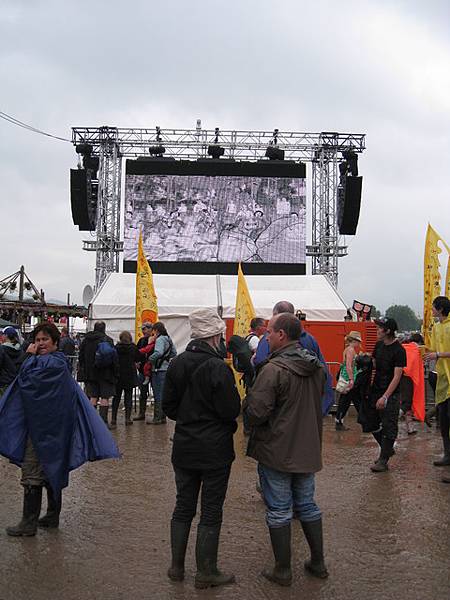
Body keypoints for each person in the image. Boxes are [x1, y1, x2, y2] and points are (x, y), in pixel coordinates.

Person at [0, 322, 119, 537]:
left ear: (55, 342)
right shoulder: (56, 363)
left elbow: (26, 379)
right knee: (52, 467)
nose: (40, 343)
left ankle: (29, 523)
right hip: (51, 426)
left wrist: (28, 357)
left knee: (33, 469)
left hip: (44, 428)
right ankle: (52, 516)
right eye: (37, 340)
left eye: (45, 339)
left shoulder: (49, 364)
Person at [244, 313, 328, 587]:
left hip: (277, 449)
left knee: (279, 510)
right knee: (307, 504)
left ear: (282, 335)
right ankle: (318, 562)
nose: (266, 336)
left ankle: (283, 569)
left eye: (270, 332)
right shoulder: (317, 367)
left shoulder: (273, 369)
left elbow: (256, 412)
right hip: (307, 447)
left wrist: (246, 405)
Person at [162, 308, 241, 589]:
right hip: (215, 449)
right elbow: (231, 409)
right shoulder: (218, 367)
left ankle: (177, 568)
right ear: (215, 335)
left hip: (184, 446)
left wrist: (189, 416)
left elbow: (168, 408)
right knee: (210, 510)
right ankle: (206, 571)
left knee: (183, 506)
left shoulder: (177, 363)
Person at [254, 301, 334, 414]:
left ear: (276, 315)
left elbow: (261, 368)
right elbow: (324, 372)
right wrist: (323, 407)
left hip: (280, 411)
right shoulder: (310, 339)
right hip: (308, 408)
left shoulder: (270, 339)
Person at [362, 318, 407, 473]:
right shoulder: (379, 345)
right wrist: (364, 360)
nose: (377, 330)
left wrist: (386, 397)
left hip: (391, 394)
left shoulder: (399, 350)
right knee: (369, 421)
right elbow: (374, 364)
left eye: (379, 328)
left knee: (389, 426)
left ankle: (383, 460)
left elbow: (397, 376)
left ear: (388, 331)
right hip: (375, 389)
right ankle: (387, 450)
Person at [424, 296, 450, 483]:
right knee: (444, 420)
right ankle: (447, 454)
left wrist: (438, 354)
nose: (431, 310)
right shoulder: (436, 327)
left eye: (433, 307)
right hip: (442, 378)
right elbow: (430, 349)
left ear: (440, 309)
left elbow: (437, 352)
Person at [78, 321, 119, 426]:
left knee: (93, 397)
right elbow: (113, 358)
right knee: (104, 398)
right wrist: (115, 372)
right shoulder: (107, 340)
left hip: (90, 374)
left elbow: (81, 357)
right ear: (104, 329)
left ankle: (92, 422)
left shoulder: (86, 340)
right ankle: (103, 422)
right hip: (105, 373)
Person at [147, 321, 176, 425]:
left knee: (157, 394)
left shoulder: (159, 339)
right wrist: (166, 358)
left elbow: (158, 352)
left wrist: (150, 359)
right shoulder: (168, 339)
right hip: (166, 369)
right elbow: (174, 352)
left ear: (156, 330)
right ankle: (163, 417)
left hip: (158, 370)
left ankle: (157, 418)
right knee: (163, 394)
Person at [111, 331, 141, 429]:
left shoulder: (116, 348)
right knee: (128, 397)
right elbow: (138, 358)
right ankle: (128, 418)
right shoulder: (133, 348)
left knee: (116, 397)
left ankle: (113, 418)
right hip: (129, 375)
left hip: (119, 375)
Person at [335, 331, 362, 430]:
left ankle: (339, 420)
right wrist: (351, 379)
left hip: (348, 377)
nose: (359, 344)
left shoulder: (348, 349)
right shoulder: (350, 350)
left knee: (347, 400)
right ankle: (364, 420)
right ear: (354, 341)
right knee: (348, 401)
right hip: (350, 378)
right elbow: (349, 365)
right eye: (358, 341)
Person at [400, 333, 425, 435]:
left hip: (399, 376)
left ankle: (410, 427)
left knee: (405, 401)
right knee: (408, 402)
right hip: (409, 379)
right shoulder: (417, 350)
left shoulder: (403, 347)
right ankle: (396, 416)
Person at [134, 322, 153, 421]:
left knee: (157, 394)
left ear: (150, 329)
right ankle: (142, 413)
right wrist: (136, 362)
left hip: (154, 370)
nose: (143, 331)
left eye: (145, 329)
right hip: (142, 371)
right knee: (142, 393)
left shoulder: (156, 340)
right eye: (142, 329)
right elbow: (136, 353)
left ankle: (159, 415)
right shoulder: (141, 340)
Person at [0, 326, 25, 395]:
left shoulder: (2, 349)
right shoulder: (20, 349)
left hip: (3, 384)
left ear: (6, 336)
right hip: (16, 384)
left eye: (2, 334)